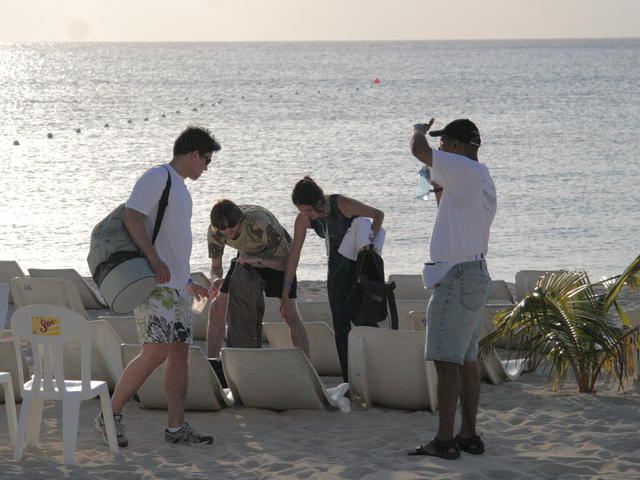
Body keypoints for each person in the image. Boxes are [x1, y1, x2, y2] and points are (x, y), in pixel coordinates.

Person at [94, 126, 221, 448]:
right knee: (155, 352)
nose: (207, 166)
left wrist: (188, 282)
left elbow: (171, 242)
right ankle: (109, 415)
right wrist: (153, 259)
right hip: (154, 283)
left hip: (175, 285)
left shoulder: (180, 188)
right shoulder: (158, 177)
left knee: (178, 354)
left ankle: (176, 428)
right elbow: (132, 217)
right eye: (206, 160)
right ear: (193, 154)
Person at [408, 118, 496, 459]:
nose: (439, 151)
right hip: (476, 272)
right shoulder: (482, 177)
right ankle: (468, 435)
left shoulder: (461, 166)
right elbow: (450, 211)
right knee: (466, 360)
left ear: (456, 146)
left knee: (446, 362)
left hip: (457, 277)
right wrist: (437, 187)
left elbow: (419, 150)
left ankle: (444, 439)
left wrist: (417, 128)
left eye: (443, 144)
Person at [281, 177, 384, 383]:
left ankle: (377, 375)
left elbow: (377, 215)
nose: (305, 215)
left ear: (319, 201)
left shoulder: (341, 204)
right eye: (301, 210)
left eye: (308, 210)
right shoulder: (304, 219)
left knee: (365, 319)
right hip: (335, 270)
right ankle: (349, 379)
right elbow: (295, 255)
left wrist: (369, 240)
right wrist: (285, 292)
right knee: (340, 324)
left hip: (360, 268)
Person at [206, 199, 310, 358]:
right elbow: (215, 267)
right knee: (216, 306)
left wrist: (257, 261)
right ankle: (213, 361)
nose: (227, 231)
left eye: (232, 225)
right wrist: (215, 279)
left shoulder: (259, 224)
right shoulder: (215, 231)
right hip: (246, 258)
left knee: (289, 314)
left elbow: (288, 263)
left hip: (277, 259)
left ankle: (306, 363)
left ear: (240, 218)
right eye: (222, 227)